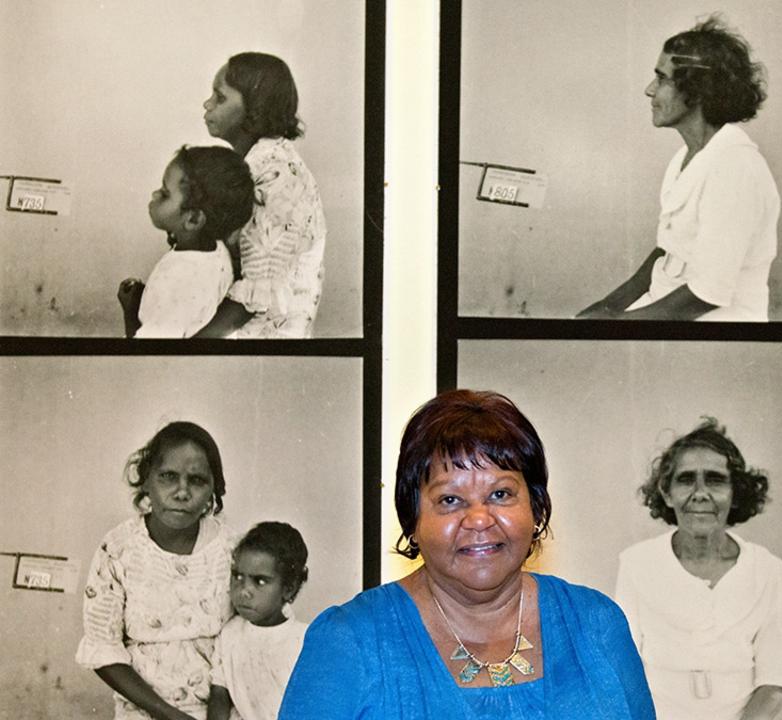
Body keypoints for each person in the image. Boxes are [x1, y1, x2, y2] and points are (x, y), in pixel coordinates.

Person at [279, 390, 655, 719]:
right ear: (412, 519)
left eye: (500, 494)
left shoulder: (597, 625)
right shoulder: (348, 643)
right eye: (450, 499)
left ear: (536, 507)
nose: (478, 518)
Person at [577, 16, 779, 322]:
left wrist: (616, 326)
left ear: (696, 91)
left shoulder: (736, 169)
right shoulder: (687, 158)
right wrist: (606, 307)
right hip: (664, 310)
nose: (649, 90)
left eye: (661, 79)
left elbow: (707, 294)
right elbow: (666, 253)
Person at [616, 419, 782, 720]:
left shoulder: (768, 571)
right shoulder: (636, 565)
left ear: (736, 492)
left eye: (715, 480)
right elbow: (624, 670)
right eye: (686, 480)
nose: (700, 493)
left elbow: (775, 681)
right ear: (666, 492)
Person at [77, 422, 234, 720]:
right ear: (146, 480)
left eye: (197, 480)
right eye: (168, 477)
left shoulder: (231, 551)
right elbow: (103, 648)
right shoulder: (118, 549)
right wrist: (170, 716)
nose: (182, 492)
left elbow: (241, 642)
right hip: (144, 712)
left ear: (214, 489)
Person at [197, 52, 327, 338]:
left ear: (254, 110)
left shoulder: (275, 178)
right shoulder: (257, 163)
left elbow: (253, 301)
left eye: (219, 98)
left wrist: (186, 349)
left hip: (263, 345)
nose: (207, 104)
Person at [117, 146, 253, 338]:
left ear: (193, 220)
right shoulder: (217, 249)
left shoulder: (177, 281)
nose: (154, 195)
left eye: (165, 194)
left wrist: (130, 310)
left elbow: (149, 357)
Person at [208, 522, 310, 720]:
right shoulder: (230, 633)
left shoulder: (304, 641)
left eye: (260, 581)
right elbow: (220, 693)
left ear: (288, 588)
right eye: (237, 576)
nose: (244, 591)